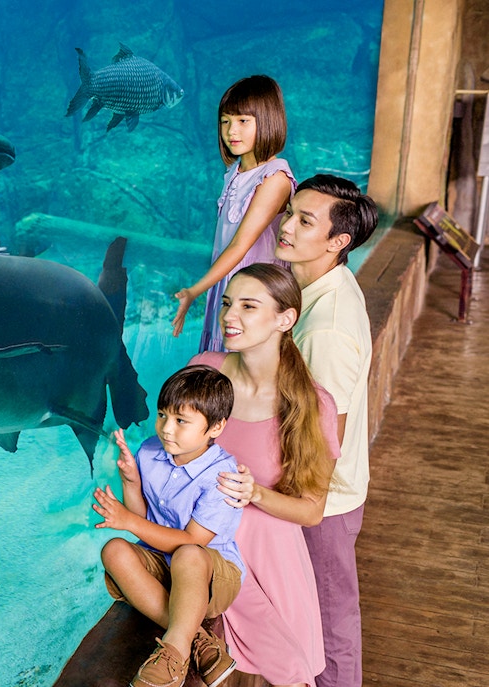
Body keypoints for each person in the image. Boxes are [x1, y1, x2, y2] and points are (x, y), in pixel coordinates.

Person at [192, 263, 340, 687]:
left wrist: (255, 492)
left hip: (269, 561)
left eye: (248, 306)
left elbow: (312, 512)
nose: (229, 316)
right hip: (203, 552)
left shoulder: (313, 404)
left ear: (286, 319)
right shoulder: (205, 369)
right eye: (226, 303)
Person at [274, 174, 378, 687]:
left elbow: (324, 438)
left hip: (322, 502)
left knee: (331, 623)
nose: (286, 225)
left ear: (339, 242)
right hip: (312, 495)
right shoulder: (316, 285)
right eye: (290, 212)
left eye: (304, 221)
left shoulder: (328, 327)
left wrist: (296, 506)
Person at [93, 365, 244, 687]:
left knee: (189, 554)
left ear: (216, 427)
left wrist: (127, 519)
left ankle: (173, 655)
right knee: (115, 549)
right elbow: (145, 521)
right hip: (162, 566)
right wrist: (131, 482)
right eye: (162, 415)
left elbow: (191, 541)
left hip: (210, 575)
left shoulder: (222, 476)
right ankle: (199, 639)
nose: (166, 429)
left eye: (181, 421)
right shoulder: (149, 451)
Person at [173, 75, 295, 352]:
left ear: (267, 121)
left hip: (255, 292)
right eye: (226, 121)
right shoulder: (234, 172)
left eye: (243, 121)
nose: (231, 131)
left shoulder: (275, 178)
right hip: (227, 282)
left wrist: (194, 290)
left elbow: (241, 245)